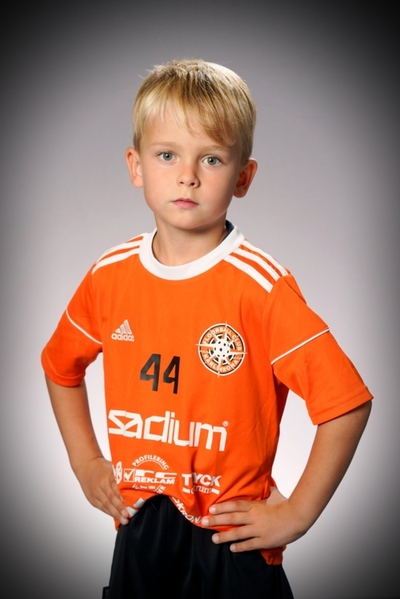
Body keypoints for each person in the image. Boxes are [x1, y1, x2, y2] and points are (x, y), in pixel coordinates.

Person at [41, 59, 372, 598]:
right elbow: (60, 366)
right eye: (167, 155)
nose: (187, 175)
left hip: (229, 536)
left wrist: (297, 513)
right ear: (136, 166)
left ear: (243, 177)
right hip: (141, 527)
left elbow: (346, 403)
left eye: (211, 158)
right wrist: (86, 464)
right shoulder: (109, 275)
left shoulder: (261, 287)